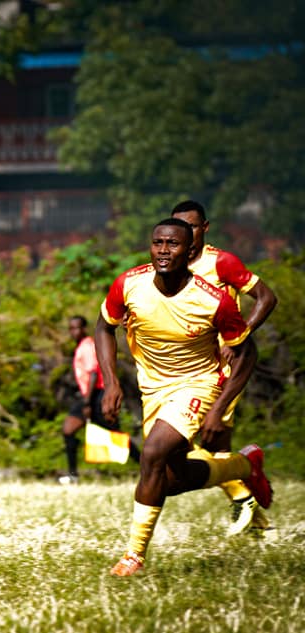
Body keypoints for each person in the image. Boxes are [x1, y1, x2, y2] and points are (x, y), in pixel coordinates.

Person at [96, 218, 271, 577]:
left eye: (172, 244)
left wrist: (218, 408)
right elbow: (104, 327)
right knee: (167, 481)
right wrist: (111, 382)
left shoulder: (214, 300)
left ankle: (133, 556)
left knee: (152, 453)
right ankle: (242, 466)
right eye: (158, 242)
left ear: (190, 251)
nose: (163, 250)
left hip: (198, 384)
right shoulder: (129, 284)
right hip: (152, 388)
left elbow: (246, 354)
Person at [171, 199, 278, 535]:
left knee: (182, 440)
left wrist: (237, 339)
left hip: (221, 367)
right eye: (179, 227)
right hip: (188, 366)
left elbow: (266, 297)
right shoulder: (171, 264)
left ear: (204, 228)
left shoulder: (222, 262)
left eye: (191, 226)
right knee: (217, 449)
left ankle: (243, 490)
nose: (184, 233)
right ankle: (257, 519)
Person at [60, 315, 140, 484]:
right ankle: (73, 474)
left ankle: (145, 467)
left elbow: (94, 374)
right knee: (68, 429)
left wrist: (87, 402)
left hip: (97, 396)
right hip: (88, 396)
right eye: (71, 328)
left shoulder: (88, 346)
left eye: (77, 327)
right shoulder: (81, 347)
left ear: (84, 328)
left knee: (115, 434)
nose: (74, 331)